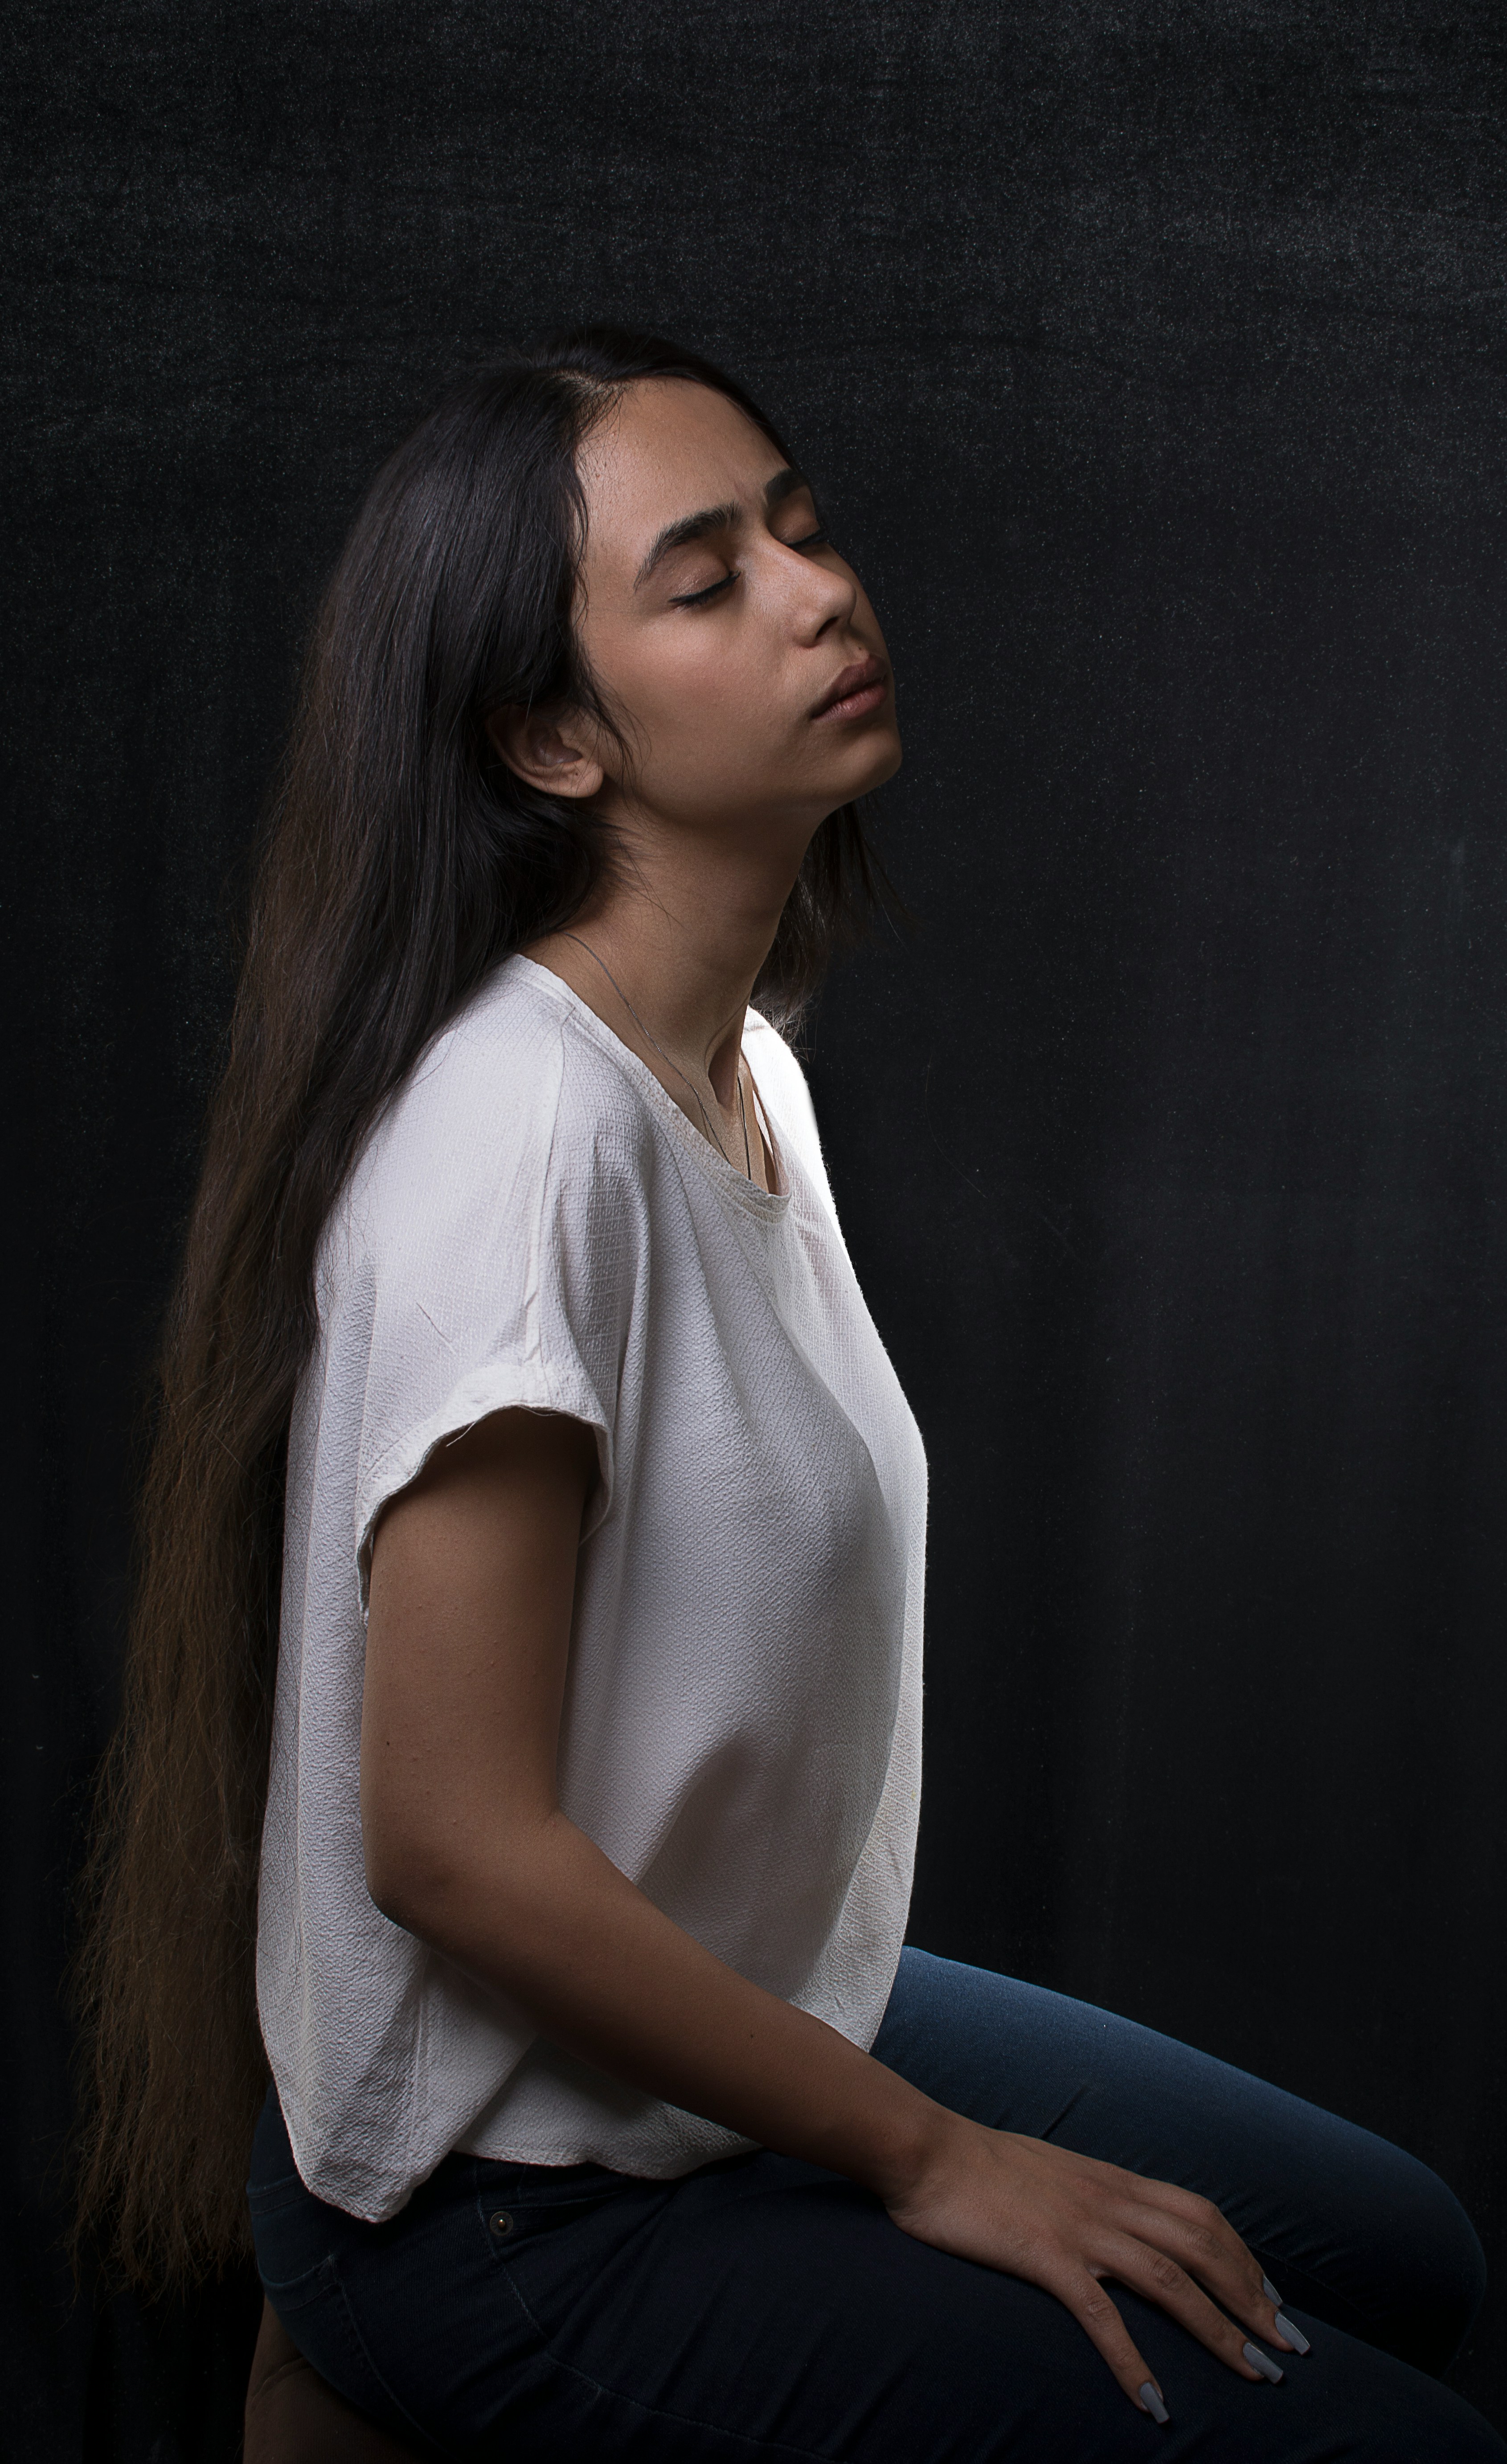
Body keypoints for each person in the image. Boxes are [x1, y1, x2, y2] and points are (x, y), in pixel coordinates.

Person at [75, 328, 1503, 2461]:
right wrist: (932, 2158)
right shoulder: (522, 1142)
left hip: (713, 2028)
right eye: (708, 575)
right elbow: (451, 1847)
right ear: (553, 738)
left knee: (1406, 2257)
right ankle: (361, 2352)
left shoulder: (748, 1080)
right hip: (512, 2211)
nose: (824, 594)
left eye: (807, 532)